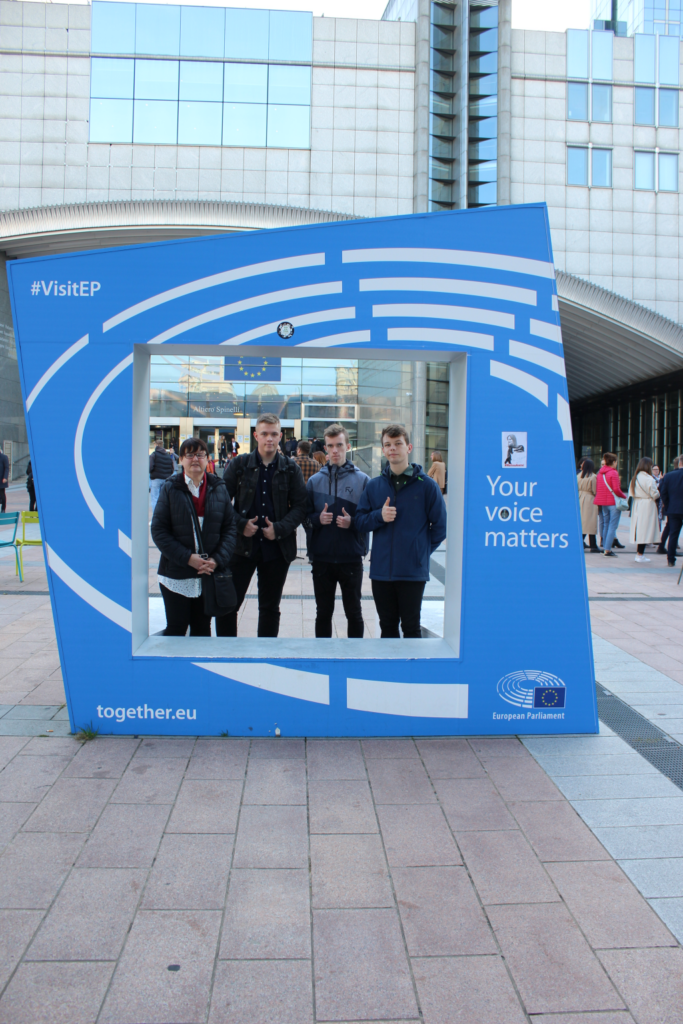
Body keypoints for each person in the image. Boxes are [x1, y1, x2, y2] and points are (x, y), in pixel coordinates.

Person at [355, 424, 447, 638]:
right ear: (384, 450)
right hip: (381, 572)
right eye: (388, 444)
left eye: (398, 444)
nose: (393, 448)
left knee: (411, 628)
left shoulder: (427, 486)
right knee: (387, 627)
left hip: (412, 573)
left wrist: (419, 552)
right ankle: (389, 673)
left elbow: (440, 528)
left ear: (409, 447)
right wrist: (379, 516)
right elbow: (359, 522)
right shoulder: (374, 485)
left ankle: (411, 673)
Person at [220, 413, 307, 637]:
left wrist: (279, 529)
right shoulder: (239, 464)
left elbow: (300, 507)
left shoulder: (290, 468)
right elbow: (219, 502)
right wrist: (240, 524)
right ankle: (227, 654)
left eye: (274, 434)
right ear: (256, 435)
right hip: (241, 548)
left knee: (269, 608)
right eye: (265, 434)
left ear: (280, 436)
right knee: (229, 605)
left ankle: (265, 656)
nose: (270, 438)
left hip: (276, 549)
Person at [151, 438, 236, 636]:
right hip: (176, 572)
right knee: (176, 628)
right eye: (189, 455)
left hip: (206, 574)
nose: (195, 459)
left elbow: (230, 529)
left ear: (208, 459)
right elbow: (159, 531)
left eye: (200, 454)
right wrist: (188, 558)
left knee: (201, 629)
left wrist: (216, 560)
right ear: (180, 459)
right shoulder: (171, 487)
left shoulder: (218, 487)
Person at [307, 424, 370, 638]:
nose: (335, 450)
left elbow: (369, 519)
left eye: (339, 445)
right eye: (331, 446)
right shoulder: (314, 481)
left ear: (348, 446)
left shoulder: (363, 480)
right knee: (323, 613)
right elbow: (303, 518)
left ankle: (355, 659)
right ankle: (322, 659)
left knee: (354, 613)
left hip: (351, 558)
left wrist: (352, 522)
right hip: (322, 560)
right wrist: (317, 519)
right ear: (325, 448)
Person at [629, 458, 661, 562]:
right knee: (646, 529)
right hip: (647, 504)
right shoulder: (649, 479)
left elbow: (631, 493)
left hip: (637, 504)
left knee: (640, 529)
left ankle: (639, 554)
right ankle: (640, 554)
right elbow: (655, 494)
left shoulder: (635, 477)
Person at [594, 453, 626, 557]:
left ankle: (604, 546)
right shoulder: (613, 473)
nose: (617, 463)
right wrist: (623, 496)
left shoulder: (600, 473)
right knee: (612, 526)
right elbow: (616, 489)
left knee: (606, 524)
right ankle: (607, 549)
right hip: (613, 502)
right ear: (613, 462)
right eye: (616, 461)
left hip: (603, 502)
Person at [657, 454, 683, 567]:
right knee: (673, 533)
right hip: (674, 507)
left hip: (673, 508)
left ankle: (671, 559)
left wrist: (668, 505)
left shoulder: (668, 476)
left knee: (673, 534)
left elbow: (663, 492)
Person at [577, 459, 599, 551]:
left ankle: (581, 542)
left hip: (580, 497)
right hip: (590, 499)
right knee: (591, 522)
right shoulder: (593, 477)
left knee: (583, 522)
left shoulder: (578, 476)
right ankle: (593, 545)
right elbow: (595, 490)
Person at [149, 439, 175, 514]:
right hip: (165, 479)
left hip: (156, 479)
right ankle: (163, 516)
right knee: (163, 499)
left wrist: (152, 472)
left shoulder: (154, 454)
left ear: (156, 445)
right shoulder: (167, 455)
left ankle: (155, 517)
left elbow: (150, 467)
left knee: (155, 498)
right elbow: (172, 468)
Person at [0, 444, 8, 512]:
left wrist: (5, 477)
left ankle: (3, 509)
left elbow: (7, 468)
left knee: (2, 493)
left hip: (1, 479)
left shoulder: (4, 457)